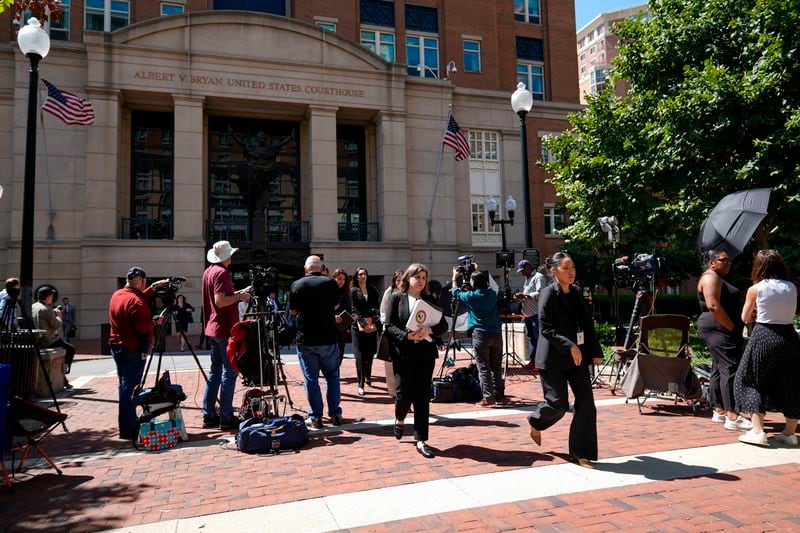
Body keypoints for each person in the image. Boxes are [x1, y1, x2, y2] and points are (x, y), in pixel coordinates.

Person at [526, 252, 603, 468]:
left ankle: (580, 453)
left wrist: (595, 351)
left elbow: (587, 324)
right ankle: (536, 420)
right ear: (554, 271)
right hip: (552, 358)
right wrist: (569, 345)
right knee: (558, 404)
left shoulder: (577, 292)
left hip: (576, 357)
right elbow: (546, 328)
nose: (571, 272)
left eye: (573, 268)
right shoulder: (547, 294)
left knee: (586, 403)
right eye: (566, 268)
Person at [734, 250, 800, 447]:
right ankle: (789, 433)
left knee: (750, 380)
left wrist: (755, 311)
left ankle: (758, 431)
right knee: (791, 382)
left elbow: (745, 318)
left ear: (759, 267)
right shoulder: (792, 287)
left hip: (764, 335)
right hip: (789, 336)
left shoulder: (756, 288)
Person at [383, 263, 448, 459]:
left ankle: (421, 439)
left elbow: (442, 324)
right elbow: (388, 326)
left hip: (425, 354)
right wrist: (406, 336)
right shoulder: (396, 298)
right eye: (417, 277)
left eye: (424, 278)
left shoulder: (429, 299)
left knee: (422, 396)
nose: (420, 281)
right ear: (408, 278)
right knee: (403, 393)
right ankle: (400, 418)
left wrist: (430, 330)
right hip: (403, 354)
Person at [108, 267, 169, 440]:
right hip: (132, 349)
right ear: (142, 281)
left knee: (124, 385)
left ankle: (126, 423)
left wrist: (153, 288)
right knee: (131, 388)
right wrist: (154, 322)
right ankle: (128, 426)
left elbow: (134, 300)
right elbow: (142, 326)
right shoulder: (137, 302)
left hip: (117, 346)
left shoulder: (118, 294)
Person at [697, 250, 752, 431]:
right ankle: (733, 416)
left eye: (729, 260)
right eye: (723, 260)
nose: (728, 263)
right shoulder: (710, 277)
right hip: (719, 327)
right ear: (712, 262)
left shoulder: (715, 277)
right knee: (730, 368)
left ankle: (719, 410)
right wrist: (730, 326)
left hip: (718, 327)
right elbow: (713, 305)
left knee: (719, 369)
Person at [202, 240, 251, 430]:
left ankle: (209, 415)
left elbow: (219, 299)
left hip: (213, 328)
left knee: (215, 373)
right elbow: (221, 301)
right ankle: (226, 416)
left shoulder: (209, 271)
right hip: (223, 329)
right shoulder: (222, 272)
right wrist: (240, 297)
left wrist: (238, 293)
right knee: (229, 372)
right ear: (225, 257)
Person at [289, 255, 343, 429]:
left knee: (311, 379)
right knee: (332, 377)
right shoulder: (330, 283)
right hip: (328, 337)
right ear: (321, 268)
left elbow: (293, 311)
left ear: (306, 269)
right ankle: (335, 413)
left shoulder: (297, 285)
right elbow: (335, 306)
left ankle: (316, 416)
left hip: (307, 339)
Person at [451, 268, 504, 406]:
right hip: (496, 333)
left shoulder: (471, 296)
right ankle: (499, 396)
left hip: (481, 334)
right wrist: (477, 271)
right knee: (496, 367)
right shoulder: (492, 293)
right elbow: (485, 286)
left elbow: (455, 292)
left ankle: (488, 397)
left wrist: (454, 277)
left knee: (483, 366)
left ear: (473, 282)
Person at [32, 286, 77, 389]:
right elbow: (56, 325)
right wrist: (58, 316)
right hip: (48, 340)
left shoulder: (34, 306)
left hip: (38, 338)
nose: (52, 298)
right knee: (71, 349)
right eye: (52, 296)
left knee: (65, 346)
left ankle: (64, 377)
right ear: (48, 296)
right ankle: (64, 371)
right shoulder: (46, 309)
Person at [351, 267, 380, 397]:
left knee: (370, 353)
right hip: (358, 327)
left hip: (372, 325)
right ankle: (360, 384)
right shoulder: (353, 291)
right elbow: (353, 309)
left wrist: (375, 324)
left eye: (364, 274)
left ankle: (368, 375)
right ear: (356, 277)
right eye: (360, 274)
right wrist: (362, 323)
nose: (363, 276)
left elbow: (377, 308)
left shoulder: (373, 290)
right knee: (360, 356)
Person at [515, 260, 549, 367]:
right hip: (528, 315)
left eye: (523, 270)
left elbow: (542, 294)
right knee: (531, 338)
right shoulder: (527, 278)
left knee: (538, 338)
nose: (522, 273)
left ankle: (540, 363)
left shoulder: (538, 277)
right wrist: (520, 296)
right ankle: (533, 361)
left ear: (529, 267)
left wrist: (525, 295)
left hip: (536, 314)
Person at [331, 268, 351, 366]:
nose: (341, 281)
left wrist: (351, 318)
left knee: (340, 354)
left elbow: (348, 309)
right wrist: (333, 316)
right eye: (339, 278)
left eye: (343, 279)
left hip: (342, 329)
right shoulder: (328, 292)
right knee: (331, 355)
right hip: (331, 328)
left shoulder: (346, 293)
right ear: (334, 278)